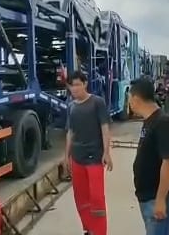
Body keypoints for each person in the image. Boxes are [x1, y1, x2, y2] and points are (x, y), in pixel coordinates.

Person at [129, 77, 169, 235]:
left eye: (129, 98)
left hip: (158, 196)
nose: (129, 103)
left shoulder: (163, 123)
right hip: (148, 195)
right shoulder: (150, 121)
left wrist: (161, 199)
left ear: (136, 99)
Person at [62, 70, 112, 235]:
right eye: (71, 86)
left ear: (85, 84)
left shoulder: (97, 102)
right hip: (77, 157)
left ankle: (99, 232)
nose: (74, 89)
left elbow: (105, 127)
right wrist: (66, 156)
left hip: (94, 157)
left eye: (77, 84)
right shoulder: (71, 106)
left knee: (96, 198)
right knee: (81, 197)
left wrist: (107, 152)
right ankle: (89, 229)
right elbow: (70, 132)